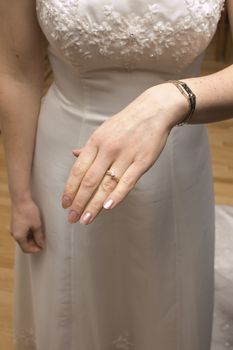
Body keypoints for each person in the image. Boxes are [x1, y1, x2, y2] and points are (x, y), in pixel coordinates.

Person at [1, 0, 233, 349]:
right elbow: (16, 73)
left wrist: (175, 97)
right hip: (63, 164)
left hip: (177, 166)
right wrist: (20, 195)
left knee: (167, 304)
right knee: (73, 310)